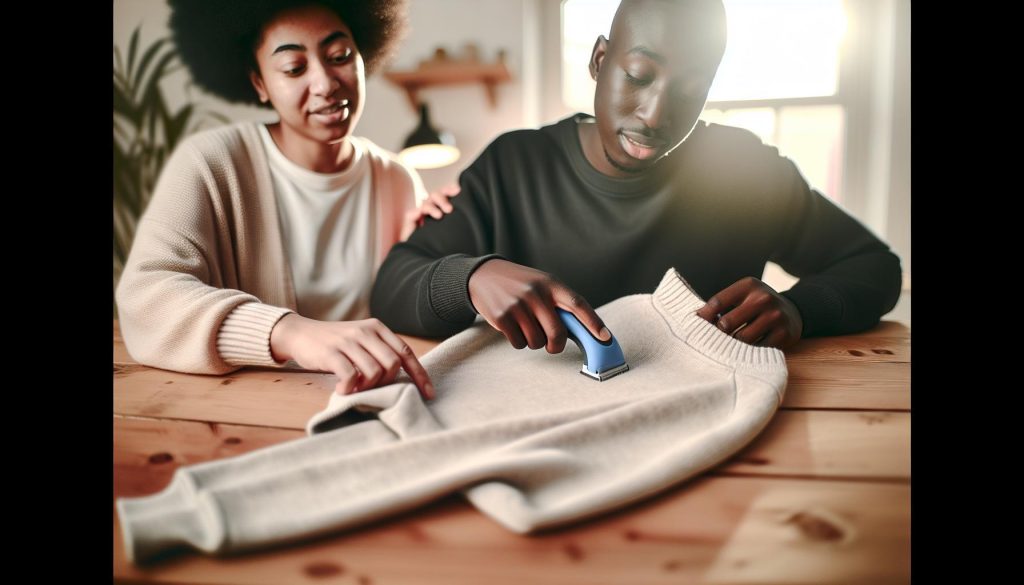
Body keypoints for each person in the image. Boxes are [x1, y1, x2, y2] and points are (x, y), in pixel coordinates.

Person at [370, 0, 901, 352]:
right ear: (601, 60)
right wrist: (469, 278)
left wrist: (799, 309)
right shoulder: (514, 166)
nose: (654, 114)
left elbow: (876, 267)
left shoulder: (748, 170)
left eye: (690, 88)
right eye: (639, 76)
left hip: (715, 438)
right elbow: (393, 286)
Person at [116, 0, 458, 399]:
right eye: (295, 68)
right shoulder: (212, 162)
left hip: (368, 398)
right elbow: (145, 297)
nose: (326, 83)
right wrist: (288, 331)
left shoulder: (396, 177)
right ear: (260, 83)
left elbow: (408, 302)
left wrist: (439, 239)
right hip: (247, 410)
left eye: (340, 56)